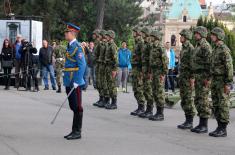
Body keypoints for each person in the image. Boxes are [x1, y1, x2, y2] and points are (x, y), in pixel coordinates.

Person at [63, 23, 86, 140]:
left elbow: (82, 65)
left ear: (72, 33)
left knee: (77, 107)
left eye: (67, 32)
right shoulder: (70, 46)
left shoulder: (77, 47)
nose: (65, 34)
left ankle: (77, 131)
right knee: (73, 106)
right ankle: (73, 130)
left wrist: (77, 81)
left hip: (75, 81)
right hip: (69, 80)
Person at [209, 27, 233, 137]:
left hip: (222, 81)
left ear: (218, 36)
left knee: (223, 104)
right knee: (216, 104)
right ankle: (219, 127)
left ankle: (223, 129)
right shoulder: (215, 49)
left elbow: (229, 67)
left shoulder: (224, 49)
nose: (211, 36)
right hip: (215, 81)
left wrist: (228, 83)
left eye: (213, 35)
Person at [191, 26, 212, 134]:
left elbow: (209, 64)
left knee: (203, 100)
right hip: (198, 76)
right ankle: (200, 123)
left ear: (202, 34)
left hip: (203, 77)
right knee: (198, 100)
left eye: (197, 33)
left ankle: (204, 125)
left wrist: (208, 78)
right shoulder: (198, 45)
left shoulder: (205, 46)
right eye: (195, 33)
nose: (195, 35)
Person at [177, 29, 196, 129]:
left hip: (188, 78)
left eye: (182, 36)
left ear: (186, 37)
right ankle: (187, 120)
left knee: (188, 99)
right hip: (183, 77)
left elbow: (192, 65)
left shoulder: (190, 48)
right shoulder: (184, 48)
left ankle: (190, 121)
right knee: (184, 99)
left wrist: (192, 78)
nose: (180, 38)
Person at [148, 31, 168, 121]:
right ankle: (157, 112)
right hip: (154, 71)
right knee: (155, 92)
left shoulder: (160, 47)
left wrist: (163, 73)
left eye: (152, 36)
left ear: (155, 37)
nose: (150, 38)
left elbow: (165, 61)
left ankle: (161, 113)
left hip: (159, 72)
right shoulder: (153, 47)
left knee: (159, 92)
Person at [139, 27, 154, 119]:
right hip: (144, 69)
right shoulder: (145, 43)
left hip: (148, 70)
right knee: (145, 89)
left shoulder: (149, 43)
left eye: (143, 33)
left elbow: (151, 59)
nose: (142, 34)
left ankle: (150, 110)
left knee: (148, 90)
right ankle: (147, 110)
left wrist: (150, 71)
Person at [130, 27, 145, 116]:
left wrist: (143, 71)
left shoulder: (141, 43)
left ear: (138, 33)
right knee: (135, 88)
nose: (133, 33)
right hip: (135, 68)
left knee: (139, 88)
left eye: (134, 32)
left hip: (139, 69)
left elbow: (143, 57)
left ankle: (142, 107)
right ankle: (139, 106)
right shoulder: (136, 42)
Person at [104, 30, 118, 110]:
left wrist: (114, 70)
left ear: (111, 37)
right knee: (109, 85)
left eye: (107, 36)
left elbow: (116, 59)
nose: (106, 37)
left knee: (112, 85)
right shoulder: (108, 45)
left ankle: (114, 103)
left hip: (111, 68)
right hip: (108, 67)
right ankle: (110, 102)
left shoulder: (113, 46)